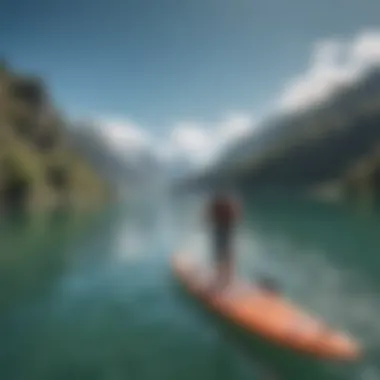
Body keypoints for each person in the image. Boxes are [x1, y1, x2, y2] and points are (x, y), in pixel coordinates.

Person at [207, 190, 240, 290]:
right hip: (227, 231)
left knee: (220, 255)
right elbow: (236, 217)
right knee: (227, 255)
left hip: (220, 232)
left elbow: (208, 216)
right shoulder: (229, 206)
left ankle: (221, 281)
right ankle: (228, 279)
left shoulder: (218, 205)